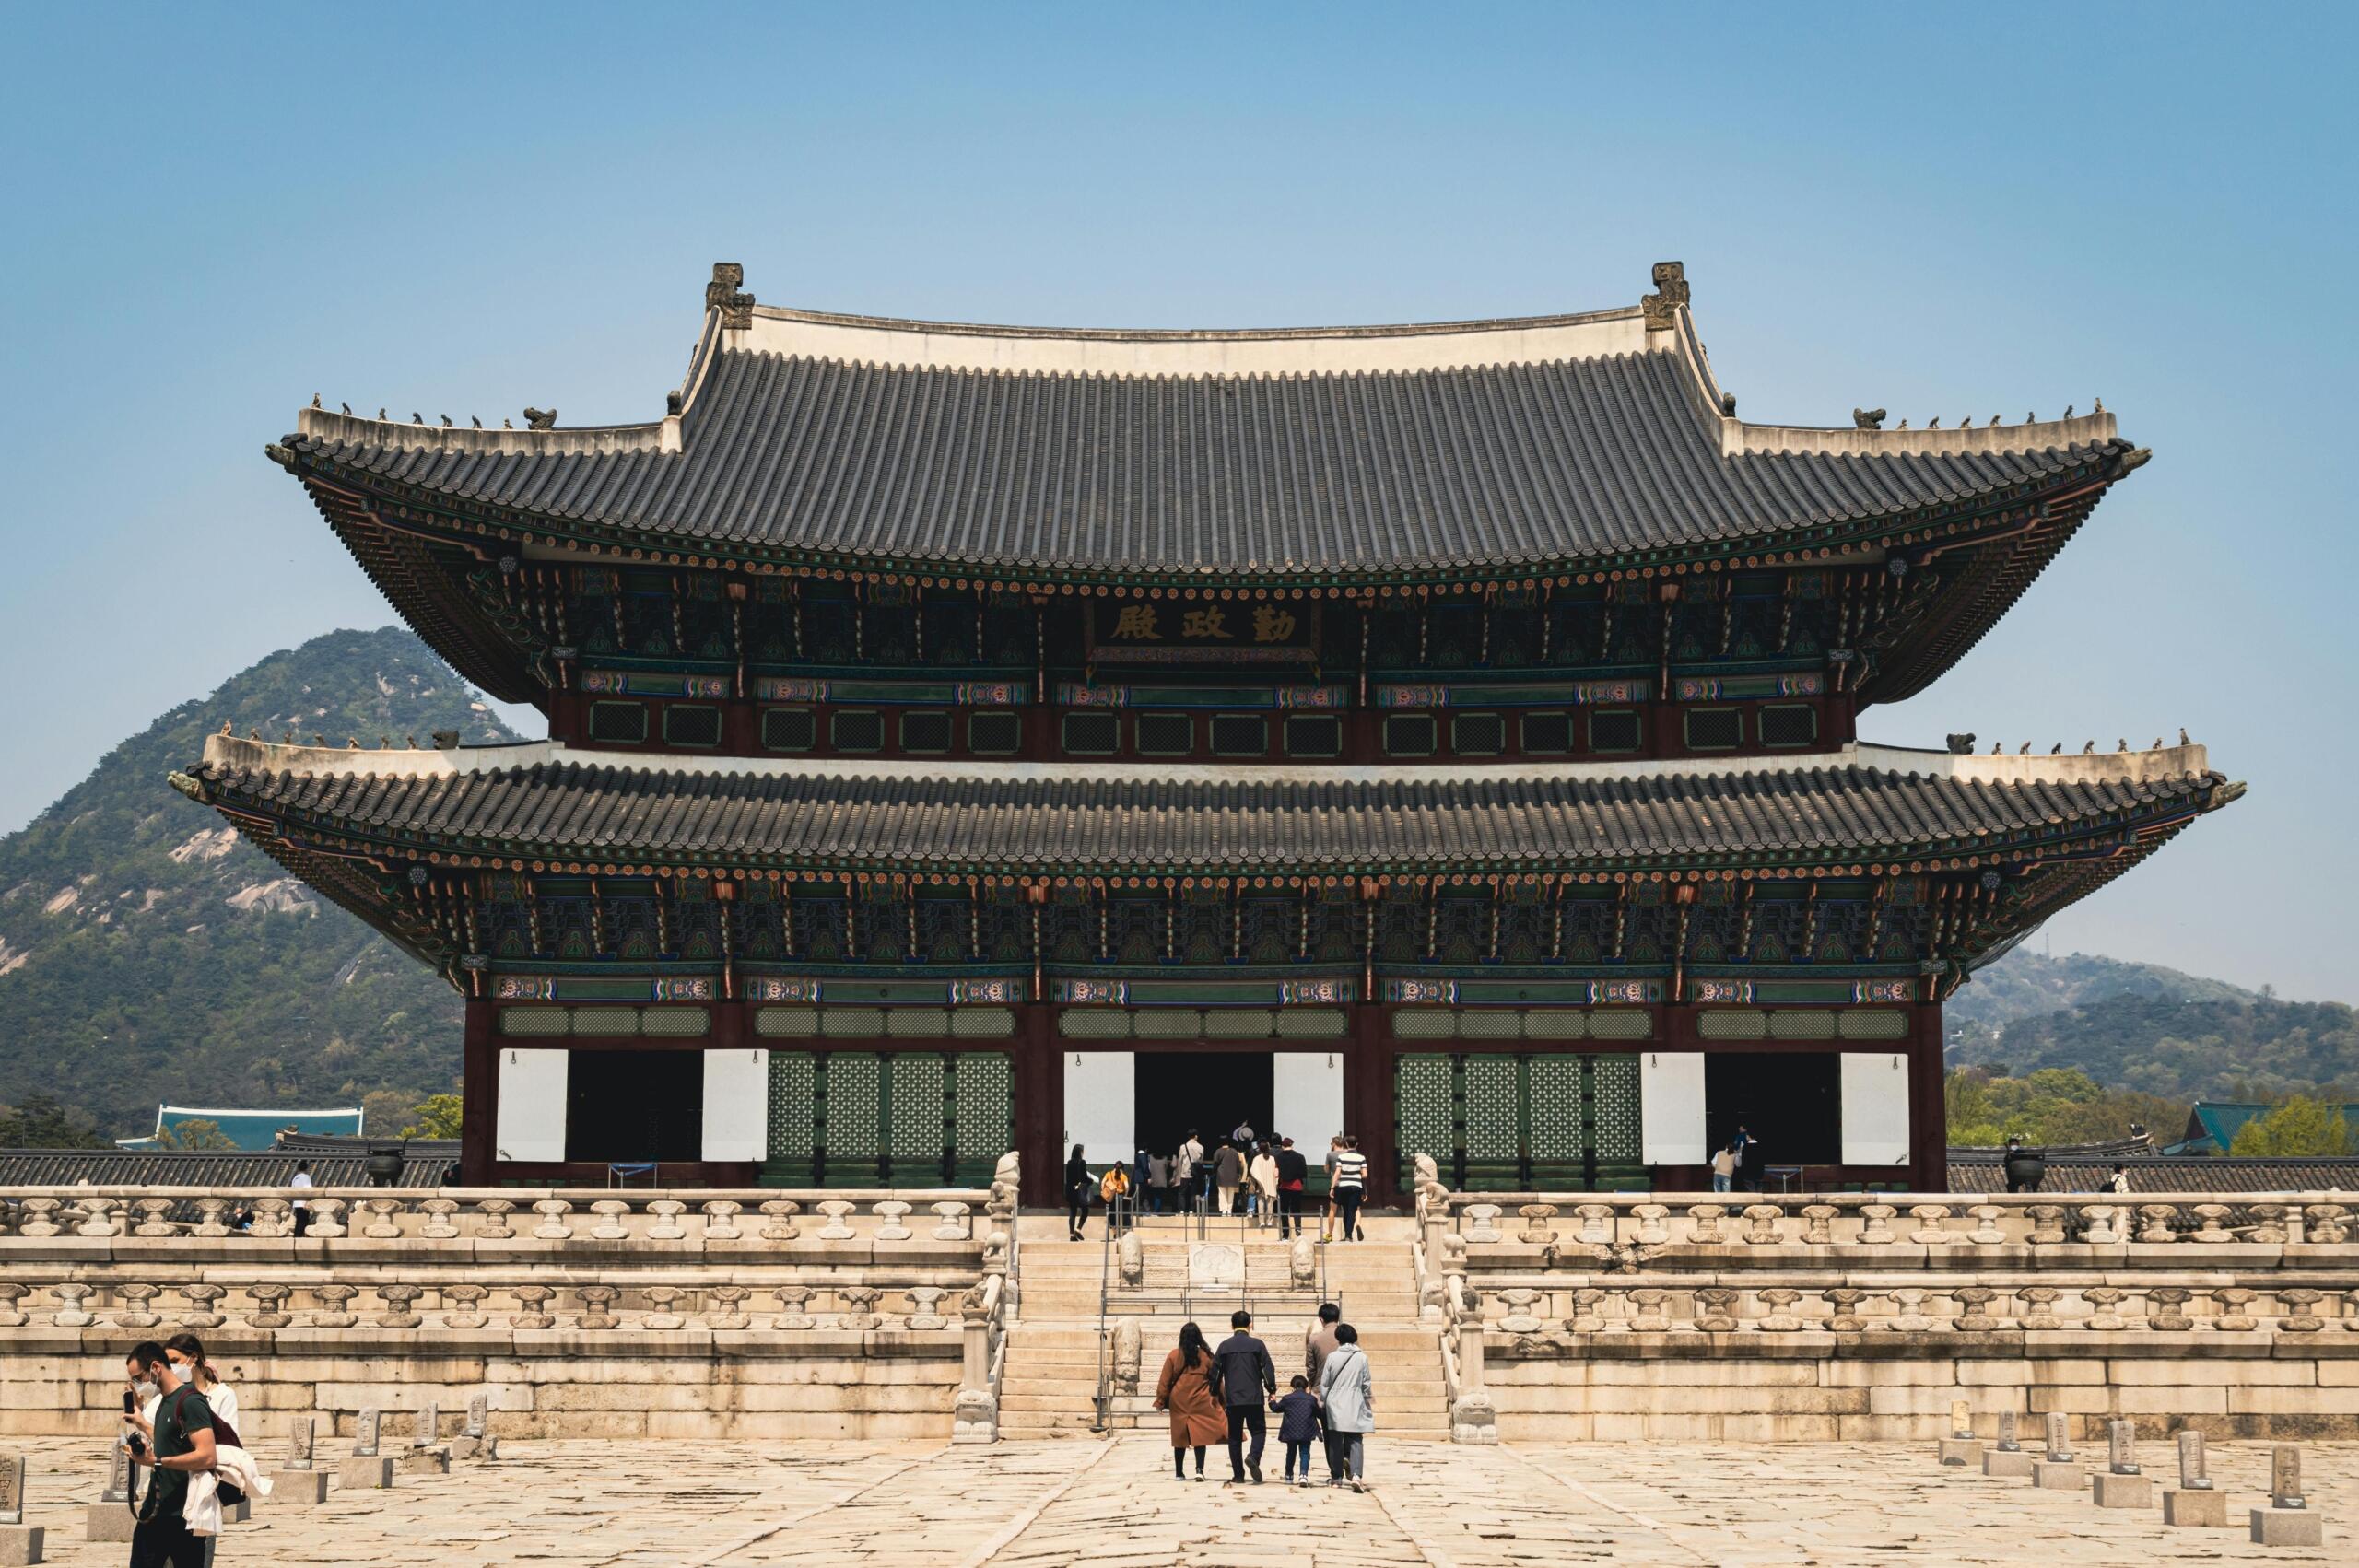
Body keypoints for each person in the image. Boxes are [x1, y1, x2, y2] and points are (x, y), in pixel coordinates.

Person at [123, 1340, 217, 1566]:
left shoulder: (191, 1401)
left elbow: (207, 1456)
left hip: (181, 1516)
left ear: (155, 1368)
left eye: (139, 1377)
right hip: (154, 1512)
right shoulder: (165, 1401)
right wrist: (142, 1423)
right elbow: (171, 1442)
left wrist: (155, 1461)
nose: (137, 1384)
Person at [1153, 1321, 1228, 1482]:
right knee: (1200, 1434)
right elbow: (1216, 1379)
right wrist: (1223, 1399)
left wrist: (1160, 1400)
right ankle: (1199, 1470)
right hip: (1200, 1399)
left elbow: (1165, 1380)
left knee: (1179, 1436)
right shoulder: (1207, 1356)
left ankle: (1179, 1473)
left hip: (1179, 1400)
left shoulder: (1174, 1355)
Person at [1214, 1309, 1276, 1483]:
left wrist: (1214, 1393)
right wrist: (1271, 1388)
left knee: (1234, 1437)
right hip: (1254, 1398)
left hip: (1233, 1399)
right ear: (1250, 1325)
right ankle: (1254, 1456)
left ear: (1232, 1325)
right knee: (1259, 1431)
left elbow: (1215, 1372)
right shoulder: (1257, 1345)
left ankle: (1238, 1475)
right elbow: (1267, 1369)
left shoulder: (1224, 1346)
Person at [1317, 1322, 1374, 1491]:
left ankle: (1336, 1478)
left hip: (1335, 1402)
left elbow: (1325, 1384)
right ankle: (1356, 1475)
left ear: (1338, 1338)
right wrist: (1367, 1401)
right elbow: (1366, 1384)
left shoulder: (1332, 1357)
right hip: (1355, 1400)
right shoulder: (1362, 1358)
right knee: (1356, 1439)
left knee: (1335, 1440)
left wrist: (1324, 1401)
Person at [1270, 1375, 1321, 1486]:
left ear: (1292, 1387)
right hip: (1306, 1431)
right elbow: (1319, 1413)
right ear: (1306, 1387)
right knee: (1305, 1453)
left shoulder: (1287, 1398)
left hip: (1291, 1432)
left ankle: (1289, 1475)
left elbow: (1276, 1409)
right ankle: (1303, 1475)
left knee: (1291, 1453)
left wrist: (1272, 1401)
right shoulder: (1311, 1399)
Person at [1331, 1135, 1367, 1241]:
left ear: (1346, 1144)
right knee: (1352, 1210)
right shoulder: (1362, 1157)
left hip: (1343, 1186)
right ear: (1357, 1144)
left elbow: (1337, 1173)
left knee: (1345, 1210)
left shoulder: (1341, 1157)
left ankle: (1347, 1235)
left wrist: (1333, 1187)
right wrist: (1357, 1172)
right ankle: (1348, 1235)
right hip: (1356, 1186)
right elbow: (1365, 1174)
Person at [1274, 1137, 1309, 1238]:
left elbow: (1276, 1173)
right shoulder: (1300, 1156)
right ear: (1292, 1145)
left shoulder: (1277, 1157)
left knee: (1284, 1210)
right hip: (1296, 1185)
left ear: (1282, 1146)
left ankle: (1285, 1234)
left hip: (1284, 1186)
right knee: (1296, 1209)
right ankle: (1298, 1229)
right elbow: (1304, 1173)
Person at [1249, 1142, 1280, 1230]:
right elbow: (1276, 1172)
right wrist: (1276, 1183)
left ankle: (1261, 1222)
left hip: (1260, 1185)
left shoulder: (1257, 1159)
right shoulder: (1273, 1159)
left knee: (1260, 1204)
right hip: (1271, 1184)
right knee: (1270, 1204)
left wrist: (1258, 1181)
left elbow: (1253, 1171)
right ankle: (1269, 1222)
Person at [1065, 1145, 1092, 1241]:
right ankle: (1078, 1229)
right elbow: (1083, 1178)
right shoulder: (1082, 1162)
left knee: (1073, 1212)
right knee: (1085, 1210)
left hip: (1070, 1189)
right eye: (1082, 1151)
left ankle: (1072, 1235)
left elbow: (1068, 1178)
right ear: (1080, 1152)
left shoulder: (1069, 1162)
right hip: (1079, 1191)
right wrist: (1091, 1181)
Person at [1213, 1139, 1245, 1218]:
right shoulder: (1234, 1151)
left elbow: (1215, 1163)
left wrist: (1214, 1172)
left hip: (1221, 1175)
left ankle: (1224, 1211)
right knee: (1231, 1193)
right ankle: (1229, 1210)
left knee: (1222, 1194)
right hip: (1233, 1176)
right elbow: (1239, 1165)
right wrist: (1239, 1174)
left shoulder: (1218, 1151)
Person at [1099, 1159, 1133, 1235]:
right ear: (1122, 1169)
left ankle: (1115, 1232)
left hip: (1111, 1196)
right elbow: (1127, 1187)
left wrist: (1103, 1191)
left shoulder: (1108, 1174)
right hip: (1120, 1196)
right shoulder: (1123, 1176)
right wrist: (1125, 1195)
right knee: (1124, 1211)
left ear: (1114, 1167)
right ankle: (1125, 1228)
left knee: (1112, 1213)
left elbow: (1103, 1182)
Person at [1176, 1129, 1204, 1215]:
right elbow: (1201, 1161)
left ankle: (1181, 1210)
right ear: (1196, 1136)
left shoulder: (1183, 1147)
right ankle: (1192, 1210)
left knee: (1182, 1193)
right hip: (1195, 1174)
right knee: (1194, 1192)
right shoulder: (1201, 1147)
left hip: (1185, 1173)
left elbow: (1180, 1160)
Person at [288, 1159, 314, 1238]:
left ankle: (296, 1236)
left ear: (298, 1168)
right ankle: (299, 1236)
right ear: (306, 1168)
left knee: (299, 1220)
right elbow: (308, 1190)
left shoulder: (295, 1178)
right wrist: (307, 1202)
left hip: (296, 1203)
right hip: (304, 1202)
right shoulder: (306, 1177)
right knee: (304, 1221)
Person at [1145, 1151, 1171, 1215]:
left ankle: (1156, 1211)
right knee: (1159, 1196)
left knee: (1156, 1196)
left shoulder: (1150, 1157)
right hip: (1162, 1180)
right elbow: (1166, 1168)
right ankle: (1157, 1211)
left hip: (1153, 1179)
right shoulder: (1165, 1158)